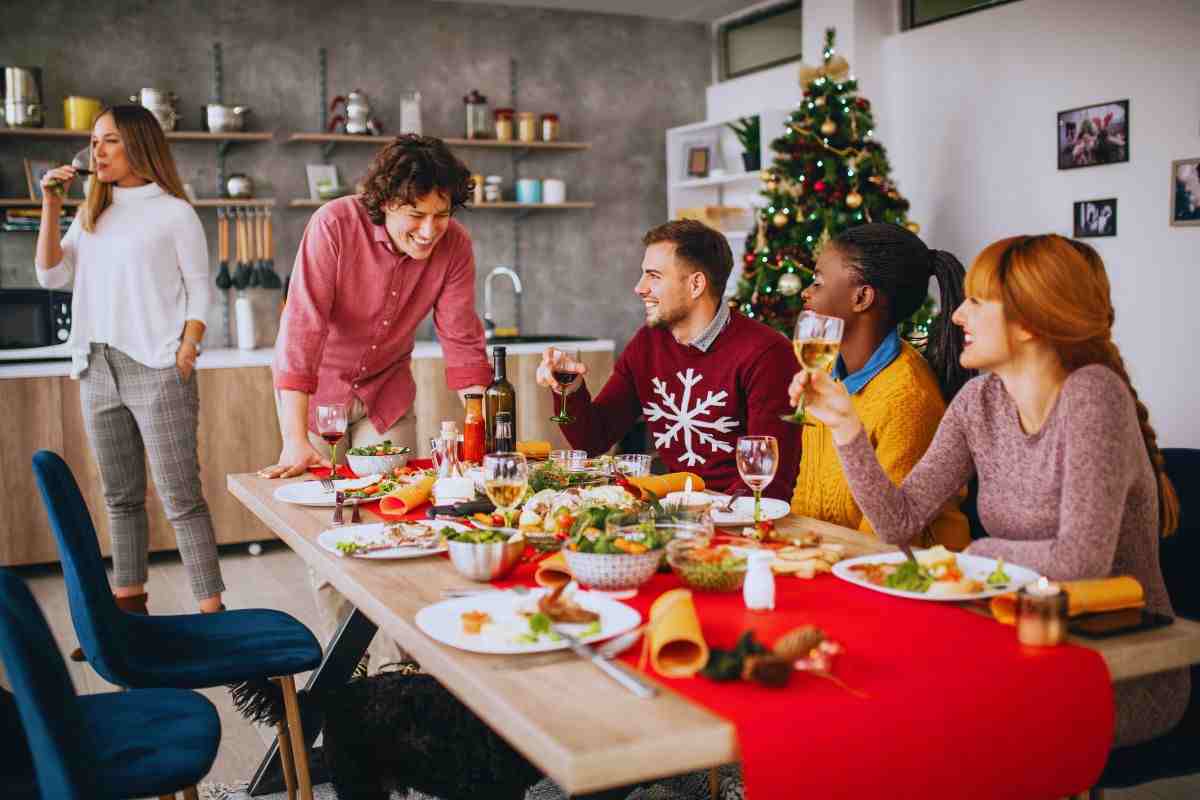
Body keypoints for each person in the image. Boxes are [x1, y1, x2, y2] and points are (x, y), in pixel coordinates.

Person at [791, 234, 1187, 746]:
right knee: (864, 696)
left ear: (1027, 322)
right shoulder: (980, 401)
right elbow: (900, 521)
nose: (957, 317)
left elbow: (1082, 558)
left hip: (1112, 667)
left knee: (915, 725)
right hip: (1015, 638)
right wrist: (846, 429)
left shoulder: (1092, 397)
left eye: (977, 303)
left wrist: (975, 557)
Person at [260, 134, 493, 663]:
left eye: (441, 214)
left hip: (387, 394)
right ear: (386, 200)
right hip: (321, 399)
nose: (430, 230)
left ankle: (401, 671)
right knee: (332, 531)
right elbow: (302, 328)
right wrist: (294, 440)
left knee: (397, 523)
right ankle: (348, 673)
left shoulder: (454, 245)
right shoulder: (335, 225)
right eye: (416, 214)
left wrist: (480, 432)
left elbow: (460, 335)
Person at [35, 105, 225, 660]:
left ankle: (213, 616)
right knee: (120, 498)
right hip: (97, 366)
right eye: (94, 142)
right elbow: (52, 274)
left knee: (180, 498)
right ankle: (128, 609)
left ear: (138, 145)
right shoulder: (92, 212)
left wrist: (186, 350)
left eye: (110, 141)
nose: (98, 152)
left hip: (158, 368)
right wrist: (51, 203)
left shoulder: (173, 213)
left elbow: (200, 290)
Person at [537, 219, 799, 500]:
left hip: (738, 522)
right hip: (676, 515)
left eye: (654, 276)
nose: (639, 288)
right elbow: (592, 439)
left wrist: (713, 518)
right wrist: (571, 388)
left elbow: (769, 480)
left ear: (696, 284)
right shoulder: (647, 344)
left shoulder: (767, 354)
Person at [790, 223, 971, 550]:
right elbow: (806, 493)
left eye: (818, 281)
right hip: (836, 557)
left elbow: (886, 541)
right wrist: (794, 549)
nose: (806, 291)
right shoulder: (828, 373)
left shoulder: (906, 397)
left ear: (861, 297)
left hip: (910, 573)